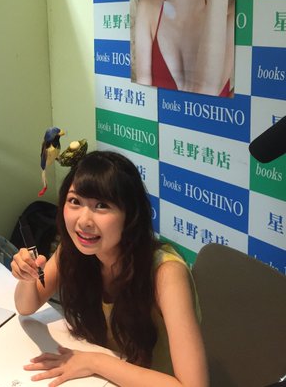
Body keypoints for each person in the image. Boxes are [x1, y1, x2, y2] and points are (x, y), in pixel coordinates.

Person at [11, 150, 207, 386]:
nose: (83, 221)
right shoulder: (75, 249)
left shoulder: (166, 273)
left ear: (130, 215)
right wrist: (27, 278)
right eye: (75, 201)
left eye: (101, 205)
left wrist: (95, 362)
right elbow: (26, 307)